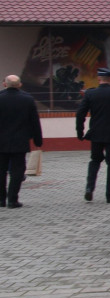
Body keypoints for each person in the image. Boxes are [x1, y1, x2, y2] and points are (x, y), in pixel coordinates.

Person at [76, 68, 110, 203]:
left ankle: (89, 188)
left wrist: (80, 131)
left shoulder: (90, 94)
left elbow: (80, 113)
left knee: (94, 161)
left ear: (99, 79)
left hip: (95, 134)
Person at [0, 75, 44, 208]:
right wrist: (38, 139)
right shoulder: (28, 99)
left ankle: (1, 199)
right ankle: (13, 200)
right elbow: (34, 121)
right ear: (19, 85)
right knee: (18, 171)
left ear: (5, 84)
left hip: (1, 141)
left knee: (1, 171)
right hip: (20, 141)